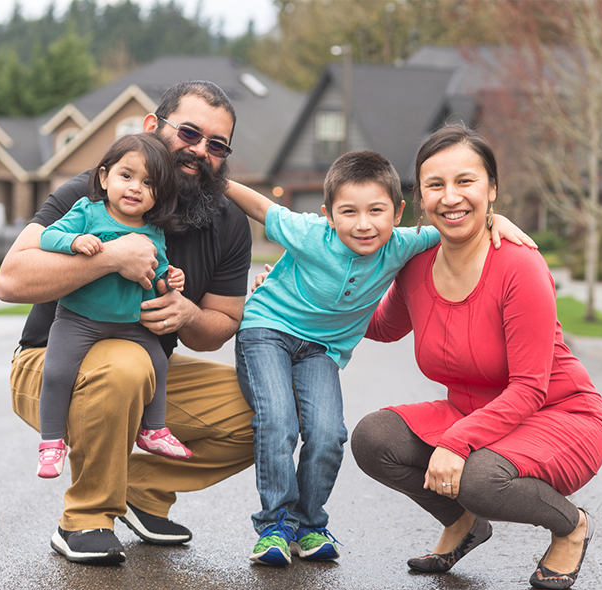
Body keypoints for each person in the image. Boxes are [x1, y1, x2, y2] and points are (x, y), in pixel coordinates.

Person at [225, 151, 535, 566]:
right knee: (279, 420)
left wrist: (496, 219)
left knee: (327, 433)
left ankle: (310, 524)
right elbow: (264, 207)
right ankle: (275, 525)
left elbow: (456, 227)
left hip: (321, 350)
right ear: (329, 214)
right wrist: (217, 181)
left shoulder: (404, 242)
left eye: (376, 210)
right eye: (348, 212)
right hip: (267, 332)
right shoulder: (310, 232)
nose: (364, 224)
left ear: (399, 212)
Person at [0, 81, 254, 565]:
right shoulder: (94, 193)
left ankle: (142, 489)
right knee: (127, 364)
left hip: (146, 375)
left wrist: (190, 314)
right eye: (190, 133)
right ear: (153, 127)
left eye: (216, 145)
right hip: (53, 365)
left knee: (269, 406)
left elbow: (222, 323)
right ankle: (87, 518)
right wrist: (109, 257)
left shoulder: (227, 222)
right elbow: (10, 280)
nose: (200, 151)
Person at [350, 123, 602, 590]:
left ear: (492, 189)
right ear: (422, 198)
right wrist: (304, 297)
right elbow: (383, 326)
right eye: (436, 184)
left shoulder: (519, 266)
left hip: (558, 413)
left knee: (479, 478)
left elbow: (531, 386)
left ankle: (571, 527)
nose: (451, 197)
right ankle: (464, 523)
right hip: (475, 414)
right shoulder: (417, 263)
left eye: (465, 181)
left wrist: (457, 443)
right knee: (373, 438)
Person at [36, 133, 191, 480]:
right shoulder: (87, 212)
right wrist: (74, 240)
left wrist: (171, 280)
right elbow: (47, 237)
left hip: (130, 323)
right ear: (104, 177)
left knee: (158, 365)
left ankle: (154, 430)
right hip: (79, 318)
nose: (135, 187)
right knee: (57, 373)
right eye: (126, 176)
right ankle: (51, 444)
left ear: (159, 196)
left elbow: (157, 275)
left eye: (148, 183)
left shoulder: (154, 231)